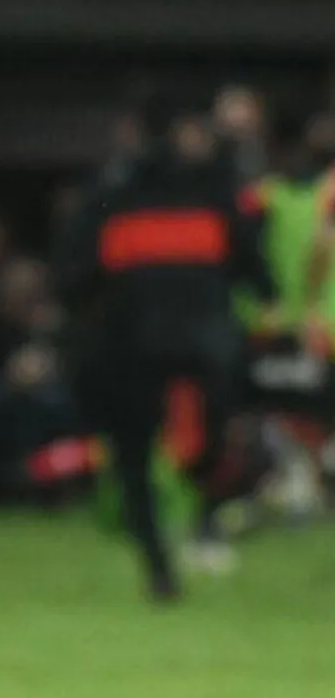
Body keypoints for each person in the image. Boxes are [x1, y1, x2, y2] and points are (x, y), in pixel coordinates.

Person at [55, 90, 277, 601]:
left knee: (206, 442)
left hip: (189, 346)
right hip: (135, 347)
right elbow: (74, 276)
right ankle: (159, 562)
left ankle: (194, 526)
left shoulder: (216, 192)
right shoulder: (118, 192)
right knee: (135, 457)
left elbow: (253, 265)